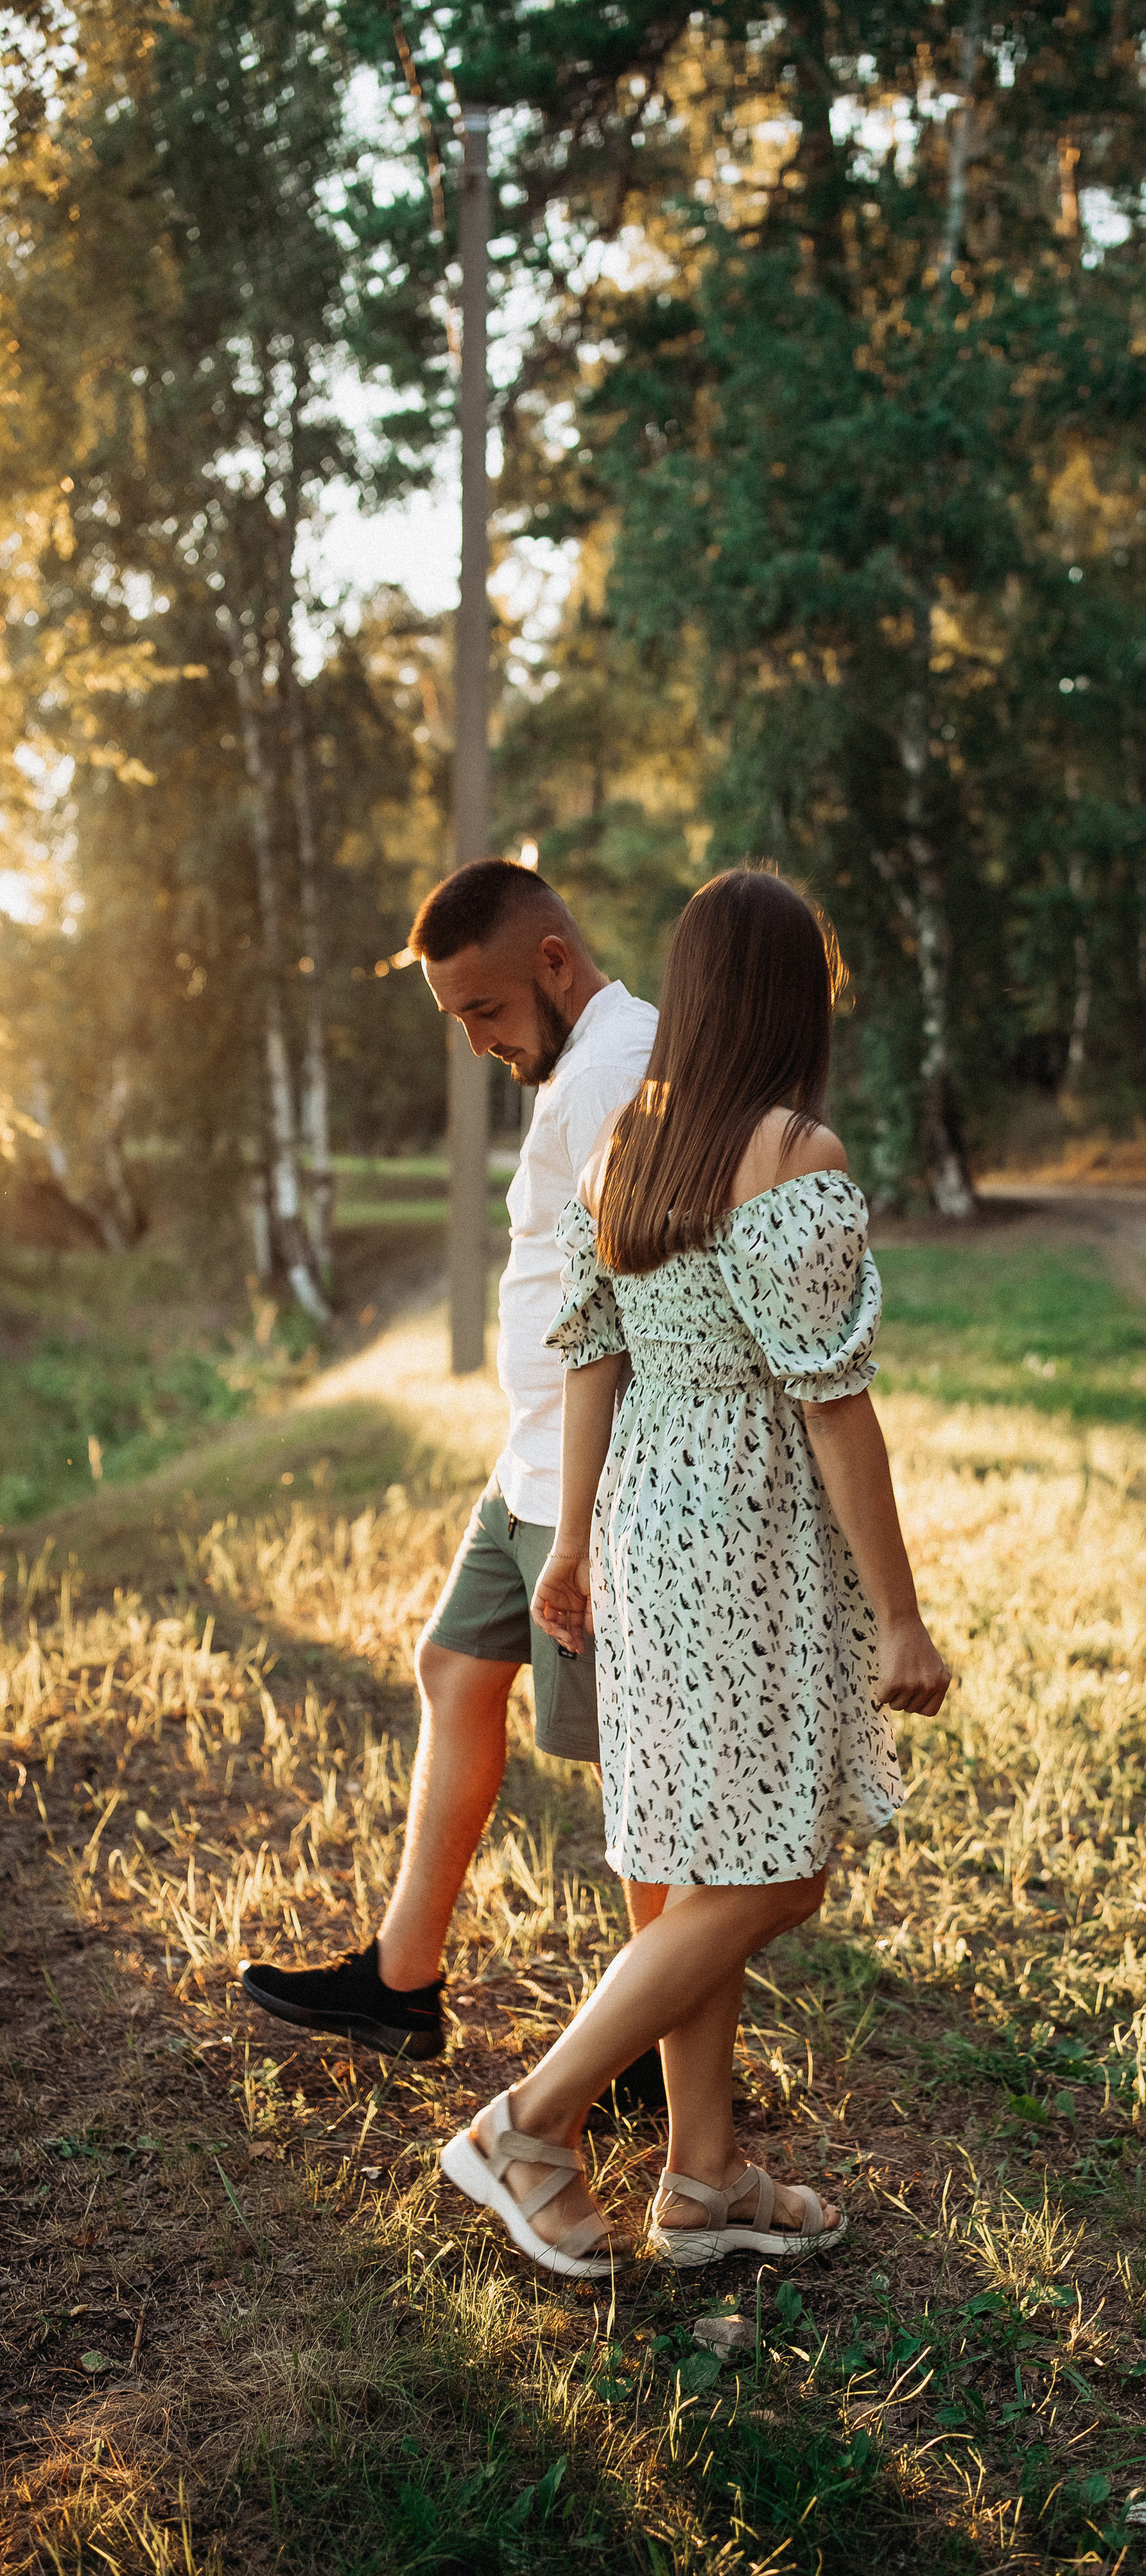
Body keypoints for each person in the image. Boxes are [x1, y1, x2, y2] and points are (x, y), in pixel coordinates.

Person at [439, 868, 951, 2277]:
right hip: (741, 1528)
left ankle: (700, 2175)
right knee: (776, 1869)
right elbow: (833, 1403)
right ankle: (530, 2125)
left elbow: (588, 1352)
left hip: (650, 1528)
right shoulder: (791, 1149)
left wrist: (584, 1538)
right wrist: (899, 1617)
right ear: (797, 993)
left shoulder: (632, 1145)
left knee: (685, 1857)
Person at [239, 859, 665, 2103]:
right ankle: (401, 1981)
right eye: (456, 1021)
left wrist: (584, 1523)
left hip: (588, 1477)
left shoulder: (614, 1072)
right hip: (525, 1463)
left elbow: (638, 1303)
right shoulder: (581, 1061)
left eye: (481, 1010)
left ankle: (654, 2033)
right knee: (452, 1666)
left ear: (550, 960)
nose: (476, 1041)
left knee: (630, 1766)